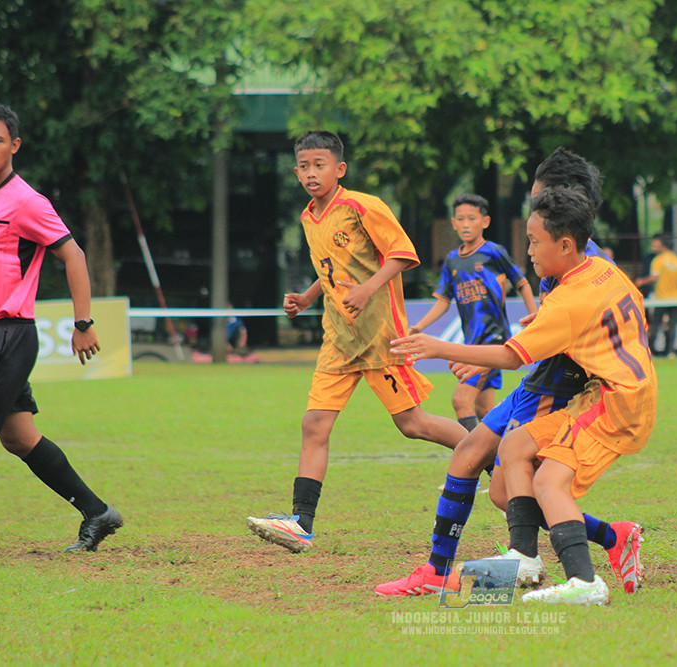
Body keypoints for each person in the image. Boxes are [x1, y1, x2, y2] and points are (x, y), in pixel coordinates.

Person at [375, 147, 644, 599]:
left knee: (501, 484)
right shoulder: (564, 251)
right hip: (540, 377)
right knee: (482, 468)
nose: (531, 209)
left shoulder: (576, 258)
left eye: (536, 196)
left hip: (561, 387)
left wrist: (465, 350)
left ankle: (549, 561)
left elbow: (557, 339)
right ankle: (599, 540)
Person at [245, 131, 468, 552]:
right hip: (339, 339)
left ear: (339, 169)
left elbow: (403, 254)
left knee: (413, 424)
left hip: (379, 335)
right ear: (296, 172)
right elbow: (331, 267)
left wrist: (368, 289)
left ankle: (490, 453)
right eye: (305, 167)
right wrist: (308, 297)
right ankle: (300, 522)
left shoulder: (363, 206)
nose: (312, 173)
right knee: (314, 425)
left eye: (320, 165)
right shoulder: (309, 218)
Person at [0, 103, 123, 552]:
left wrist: (83, 323)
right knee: (19, 437)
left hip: (5, 336)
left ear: (14, 145)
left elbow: (74, 255)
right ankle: (98, 512)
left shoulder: (26, 201)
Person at [409, 193, 536, 431]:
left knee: (461, 400)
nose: (466, 224)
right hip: (471, 343)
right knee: (484, 410)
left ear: (485, 222)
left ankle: (472, 459)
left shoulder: (494, 252)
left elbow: (522, 283)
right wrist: (418, 327)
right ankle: (506, 456)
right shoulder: (452, 261)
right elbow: (443, 302)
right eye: (461, 219)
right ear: (454, 223)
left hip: (493, 340)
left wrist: (535, 317)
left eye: (472, 218)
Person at [638, 233, 677, 357]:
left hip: (661, 299)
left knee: (656, 325)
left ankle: (652, 352)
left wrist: (641, 281)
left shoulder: (658, 260)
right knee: (673, 325)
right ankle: (670, 352)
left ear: (663, 247)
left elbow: (654, 277)